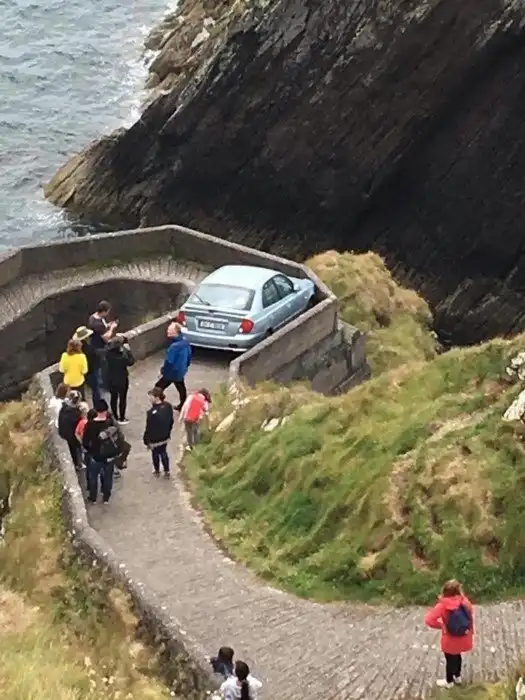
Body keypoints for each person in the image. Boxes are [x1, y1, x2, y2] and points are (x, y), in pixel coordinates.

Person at [424, 579, 474, 688]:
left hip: (450, 638)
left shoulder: (443, 605)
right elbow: (470, 616)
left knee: (450, 659)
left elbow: (428, 619)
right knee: (458, 656)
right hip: (463, 636)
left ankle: (449, 682)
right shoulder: (465, 602)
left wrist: (442, 626)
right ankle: (458, 677)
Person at [82, 399, 124, 504]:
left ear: (96, 411)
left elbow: (85, 442)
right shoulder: (110, 423)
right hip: (109, 456)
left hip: (96, 456)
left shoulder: (90, 425)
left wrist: (90, 450)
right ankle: (106, 497)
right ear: (106, 410)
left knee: (93, 477)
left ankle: (93, 497)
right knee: (108, 477)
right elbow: (120, 437)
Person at [155, 322, 191, 410]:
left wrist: (162, 372)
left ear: (175, 332)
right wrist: (185, 367)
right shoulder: (185, 342)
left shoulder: (174, 347)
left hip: (171, 372)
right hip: (180, 371)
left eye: (169, 330)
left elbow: (169, 362)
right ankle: (183, 404)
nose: (167, 331)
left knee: (158, 387)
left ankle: (159, 405)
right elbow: (189, 356)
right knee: (181, 387)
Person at [143, 387, 174, 477]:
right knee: (164, 452)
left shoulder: (151, 413)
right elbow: (171, 421)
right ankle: (167, 471)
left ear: (157, 398)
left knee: (155, 453)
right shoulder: (168, 406)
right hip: (165, 436)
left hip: (155, 439)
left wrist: (146, 440)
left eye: (151, 397)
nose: (150, 399)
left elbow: (149, 428)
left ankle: (157, 470)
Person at [88, 300, 119, 390]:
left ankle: (97, 382)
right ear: (104, 312)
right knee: (104, 367)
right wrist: (112, 328)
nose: (108, 313)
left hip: (93, 345)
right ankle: (104, 385)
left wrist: (108, 325)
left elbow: (101, 329)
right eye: (107, 311)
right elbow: (106, 337)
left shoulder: (92, 317)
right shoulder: (98, 324)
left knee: (97, 366)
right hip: (100, 348)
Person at [105, 335, 134, 424]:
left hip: (111, 379)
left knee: (113, 397)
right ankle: (122, 418)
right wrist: (128, 350)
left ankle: (115, 416)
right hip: (122, 379)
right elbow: (131, 362)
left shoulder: (108, 353)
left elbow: (108, 346)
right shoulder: (123, 356)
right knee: (122, 398)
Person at [73, 326, 101, 406]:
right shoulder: (88, 349)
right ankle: (97, 406)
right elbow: (95, 358)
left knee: (82, 392)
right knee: (95, 390)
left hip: (81, 373)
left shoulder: (76, 349)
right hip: (90, 371)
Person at [57, 389, 83, 469]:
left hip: (63, 432)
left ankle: (76, 463)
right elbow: (79, 427)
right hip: (72, 436)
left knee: (72, 449)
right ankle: (78, 464)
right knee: (75, 450)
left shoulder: (64, 408)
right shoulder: (75, 414)